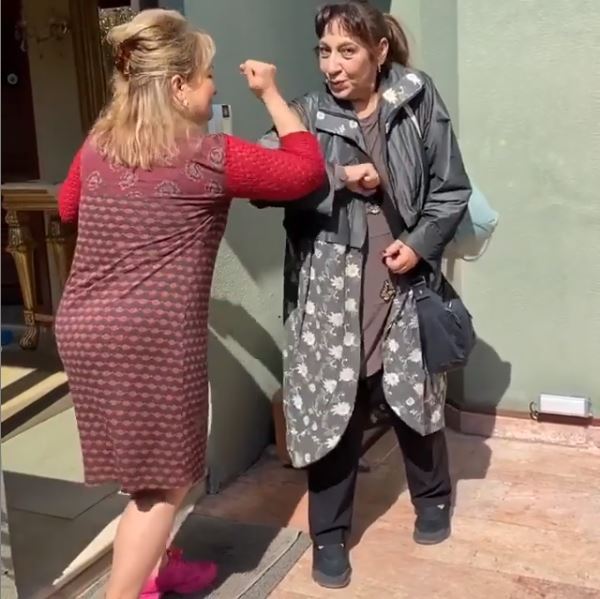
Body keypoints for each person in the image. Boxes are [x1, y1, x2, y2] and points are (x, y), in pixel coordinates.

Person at [55, 9, 325, 599]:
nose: (213, 86)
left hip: (85, 328)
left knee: (146, 469)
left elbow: (68, 207)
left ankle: (159, 571)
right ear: (178, 86)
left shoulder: (98, 145)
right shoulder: (208, 156)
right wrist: (271, 93)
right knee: (163, 485)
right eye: (206, 76)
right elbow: (306, 171)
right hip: (150, 339)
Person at [256, 0, 471, 589]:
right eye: (324, 51)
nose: (333, 65)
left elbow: (451, 189)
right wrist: (338, 176)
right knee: (335, 407)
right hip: (328, 289)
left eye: (347, 51)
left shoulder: (416, 98)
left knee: (413, 393)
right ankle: (329, 536)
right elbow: (264, 180)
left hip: (403, 282)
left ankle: (433, 498)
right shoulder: (305, 112)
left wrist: (419, 245)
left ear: (378, 51)